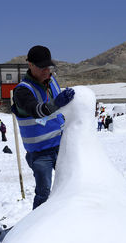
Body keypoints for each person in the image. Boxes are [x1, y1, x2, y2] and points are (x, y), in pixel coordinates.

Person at [12, 45, 75, 209]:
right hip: (40, 154)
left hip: (61, 146)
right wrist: (56, 103)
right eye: (41, 67)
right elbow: (37, 111)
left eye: (49, 67)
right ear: (30, 65)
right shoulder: (22, 91)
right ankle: (36, 229)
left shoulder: (52, 81)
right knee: (44, 193)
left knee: (71, 183)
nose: (46, 71)